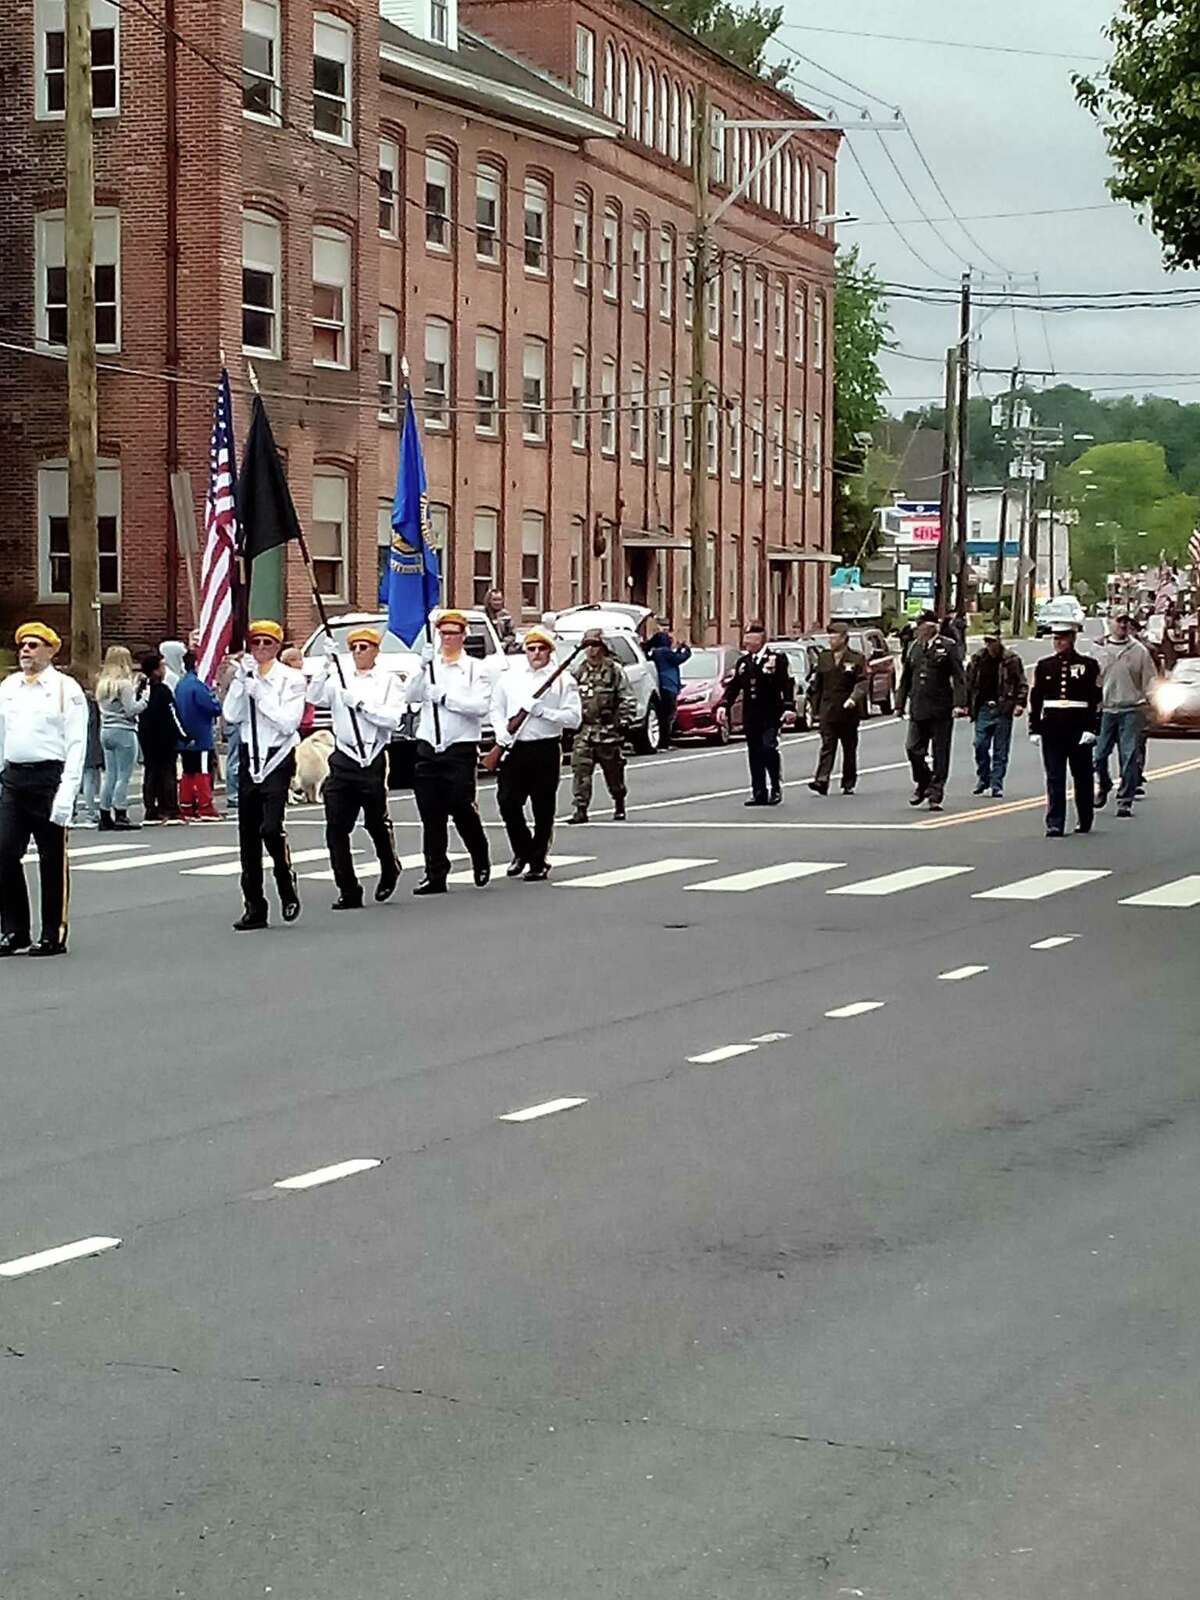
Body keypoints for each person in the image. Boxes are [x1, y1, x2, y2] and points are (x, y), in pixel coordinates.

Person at [0, 621, 88, 956]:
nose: (25, 651)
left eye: (34, 645)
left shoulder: (66, 689)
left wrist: (67, 794)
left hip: (50, 779)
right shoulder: (9, 687)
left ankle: (53, 932)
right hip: (14, 777)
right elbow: (2, 734)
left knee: (52, 860)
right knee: (4, 852)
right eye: (23, 645)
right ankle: (14, 929)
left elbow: (76, 744)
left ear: (51, 650)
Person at [306, 626, 404, 909]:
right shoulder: (339, 678)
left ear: (375, 651)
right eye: (354, 648)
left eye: (364, 647)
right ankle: (348, 888)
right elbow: (313, 698)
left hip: (371, 759)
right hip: (343, 758)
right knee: (336, 828)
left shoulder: (388, 682)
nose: (359, 652)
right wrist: (325, 665)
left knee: (375, 822)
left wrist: (360, 705)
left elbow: (392, 720)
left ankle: (389, 866)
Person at [221, 620, 305, 929]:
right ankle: (254, 905)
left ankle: (285, 880)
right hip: (249, 756)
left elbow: (287, 722)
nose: (260, 649)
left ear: (278, 646)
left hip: (277, 757)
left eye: (267, 644)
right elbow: (231, 716)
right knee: (247, 836)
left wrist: (260, 692)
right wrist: (242, 685)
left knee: (270, 828)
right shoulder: (248, 675)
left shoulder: (292, 679)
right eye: (255, 643)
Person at [401, 609, 493, 895]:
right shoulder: (431, 668)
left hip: (460, 746)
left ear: (463, 636)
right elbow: (411, 696)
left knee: (461, 805)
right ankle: (435, 872)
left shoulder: (476, 669)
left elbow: (479, 707)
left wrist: (445, 698)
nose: (448, 638)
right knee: (431, 813)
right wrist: (421, 667)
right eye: (443, 633)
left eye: (453, 633)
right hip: (429, 745)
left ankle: (479, 855)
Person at [490, 625, 582, 880]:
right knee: (508, 803)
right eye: (531, 649)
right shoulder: (510, 678)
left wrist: (544, 712)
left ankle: (538, 860)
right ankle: (522, 850)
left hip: (545, 748)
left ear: (550, 651)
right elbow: (496, 708)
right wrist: (502, 733)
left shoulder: (563, 680)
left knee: (543, 808)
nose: (536, 653)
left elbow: (574, 718)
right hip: (515, 748)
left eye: (542, 648)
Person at [1029, 621, 1103, 838]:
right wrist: (1035, 727)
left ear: (1072, 639)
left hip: (1078, 725)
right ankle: (1055, 822)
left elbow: (1095, 699)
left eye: (1063, 638)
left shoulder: (1088, 665)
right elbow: (1037, 699)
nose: (1059, 643)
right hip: (1052, 727)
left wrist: (1093, 728)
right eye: (1056, 639)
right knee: (1054, 777)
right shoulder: (1045, 666)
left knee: (1082, 776)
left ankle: (1085, 817)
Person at [896, 610, 967, 812]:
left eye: (922, 625)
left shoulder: (947, 647)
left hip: (940, 708)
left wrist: (959, 704)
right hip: (918, 706)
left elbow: (959, 677)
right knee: (913, 748)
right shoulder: (913, 648)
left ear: (932, 626)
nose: (919, 628)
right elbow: (906, 678)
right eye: (918, 625)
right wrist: (899, 704)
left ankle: (936, 793)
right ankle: (923, 781)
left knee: (940, 753)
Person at [722, 622, 794, 807]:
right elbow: (734, 686)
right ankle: (759, 791)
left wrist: (788, 707)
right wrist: (724, 705)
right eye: (746, 640)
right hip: (751, 715)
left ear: (761, 641)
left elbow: (786, 684)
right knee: (754, 753)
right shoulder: (744, 663)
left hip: (771, 713)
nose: (747, 643)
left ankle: (776, 787)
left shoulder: (776, 659)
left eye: (751, 640)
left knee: (768, 748)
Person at [1094, 609, 1157, 818]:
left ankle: (1125, 800)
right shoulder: (1099, 650)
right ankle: (1104, 784)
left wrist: (1153, 702)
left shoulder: (1139, 651)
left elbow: (1150, 681)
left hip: (1131, 709)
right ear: (1110, 622)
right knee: (1099, 755)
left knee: (1129, 756)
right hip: (1106, 709)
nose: (1122, 625)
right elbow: (1092, 681)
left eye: (1126, 622)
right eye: (1119, 621)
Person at [569, 628, 637, 823]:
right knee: (581, 771)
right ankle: (580, 809)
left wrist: (624, 721)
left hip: (608, 731)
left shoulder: (614, 671)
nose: (591, 650)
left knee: (613, 772)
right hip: (585, 730)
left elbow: (627, 697)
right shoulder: (578, 671)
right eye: (587, 646)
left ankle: (619, 803)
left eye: (595, 645)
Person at [806, 620, 867, 796]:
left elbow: (862, 682)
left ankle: (848, 782)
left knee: (849, 748)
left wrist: (853, 698)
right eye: (829, 637)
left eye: (834, 637)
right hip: (828, 709)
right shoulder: (824, 657)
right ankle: (822, 780)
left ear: (843, 639)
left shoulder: (856, 658)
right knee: (827, 746)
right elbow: (818, 684)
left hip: (848, 711)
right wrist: (816, 710)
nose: (831, 641)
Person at [965, 632, 1027, 798]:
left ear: (999, 641)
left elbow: (1021, 682)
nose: (989, 645)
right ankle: (983, 777)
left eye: (992, 641)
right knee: (980, 745)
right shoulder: (977, 659)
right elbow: (968, 683)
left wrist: (1020, 703)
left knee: (1001, 749)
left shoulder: (1011, 660)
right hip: (983, 708)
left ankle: (997, 784)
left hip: (1003, 707)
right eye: (987, 641)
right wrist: (964, 704)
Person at [96, 644, 149, 830]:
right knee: (124, 776)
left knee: (109, 774)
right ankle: (120, 813)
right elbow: (131, 710)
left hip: (106, 730)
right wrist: (145, 698)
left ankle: (104, 814)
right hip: (124, 731)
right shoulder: (124, 684)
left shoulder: (102, 684)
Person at [174, 650, 224, 820]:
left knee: (188, 771)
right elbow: (213, 708)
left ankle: (186, 804)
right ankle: (205, 806)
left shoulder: (180, 685)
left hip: (184, 736)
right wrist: (216, 700)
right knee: (203, 771)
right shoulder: (198, 686)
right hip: (201, 735)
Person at [137, 653, 186, 825]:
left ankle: (151, 808)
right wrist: (184, 736)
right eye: (162, 666)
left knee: (150, 772)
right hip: (164, 738)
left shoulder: (141, 690)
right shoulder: (163, 691)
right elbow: (173, 716)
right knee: (167, 772)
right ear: (156, 670)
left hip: (146, 737)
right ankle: (170, 808)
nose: (164, 669)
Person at [645, 625, 691, 748]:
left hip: (664, 685)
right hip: (668, 685)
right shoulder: (664, 652)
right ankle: (664, 742)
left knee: (664, 715)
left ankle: (663, 740)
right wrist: (685, 648)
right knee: (668, 715)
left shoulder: (656, 653)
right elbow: (679, 658)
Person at [73, 674, 104, 828]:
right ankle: (91, 812)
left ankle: (72, 811)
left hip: (71, 744)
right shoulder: (90, 703)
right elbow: (94, 725)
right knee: (89, 778)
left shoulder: (66, 702)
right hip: (89, 743)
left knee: (73, 778)